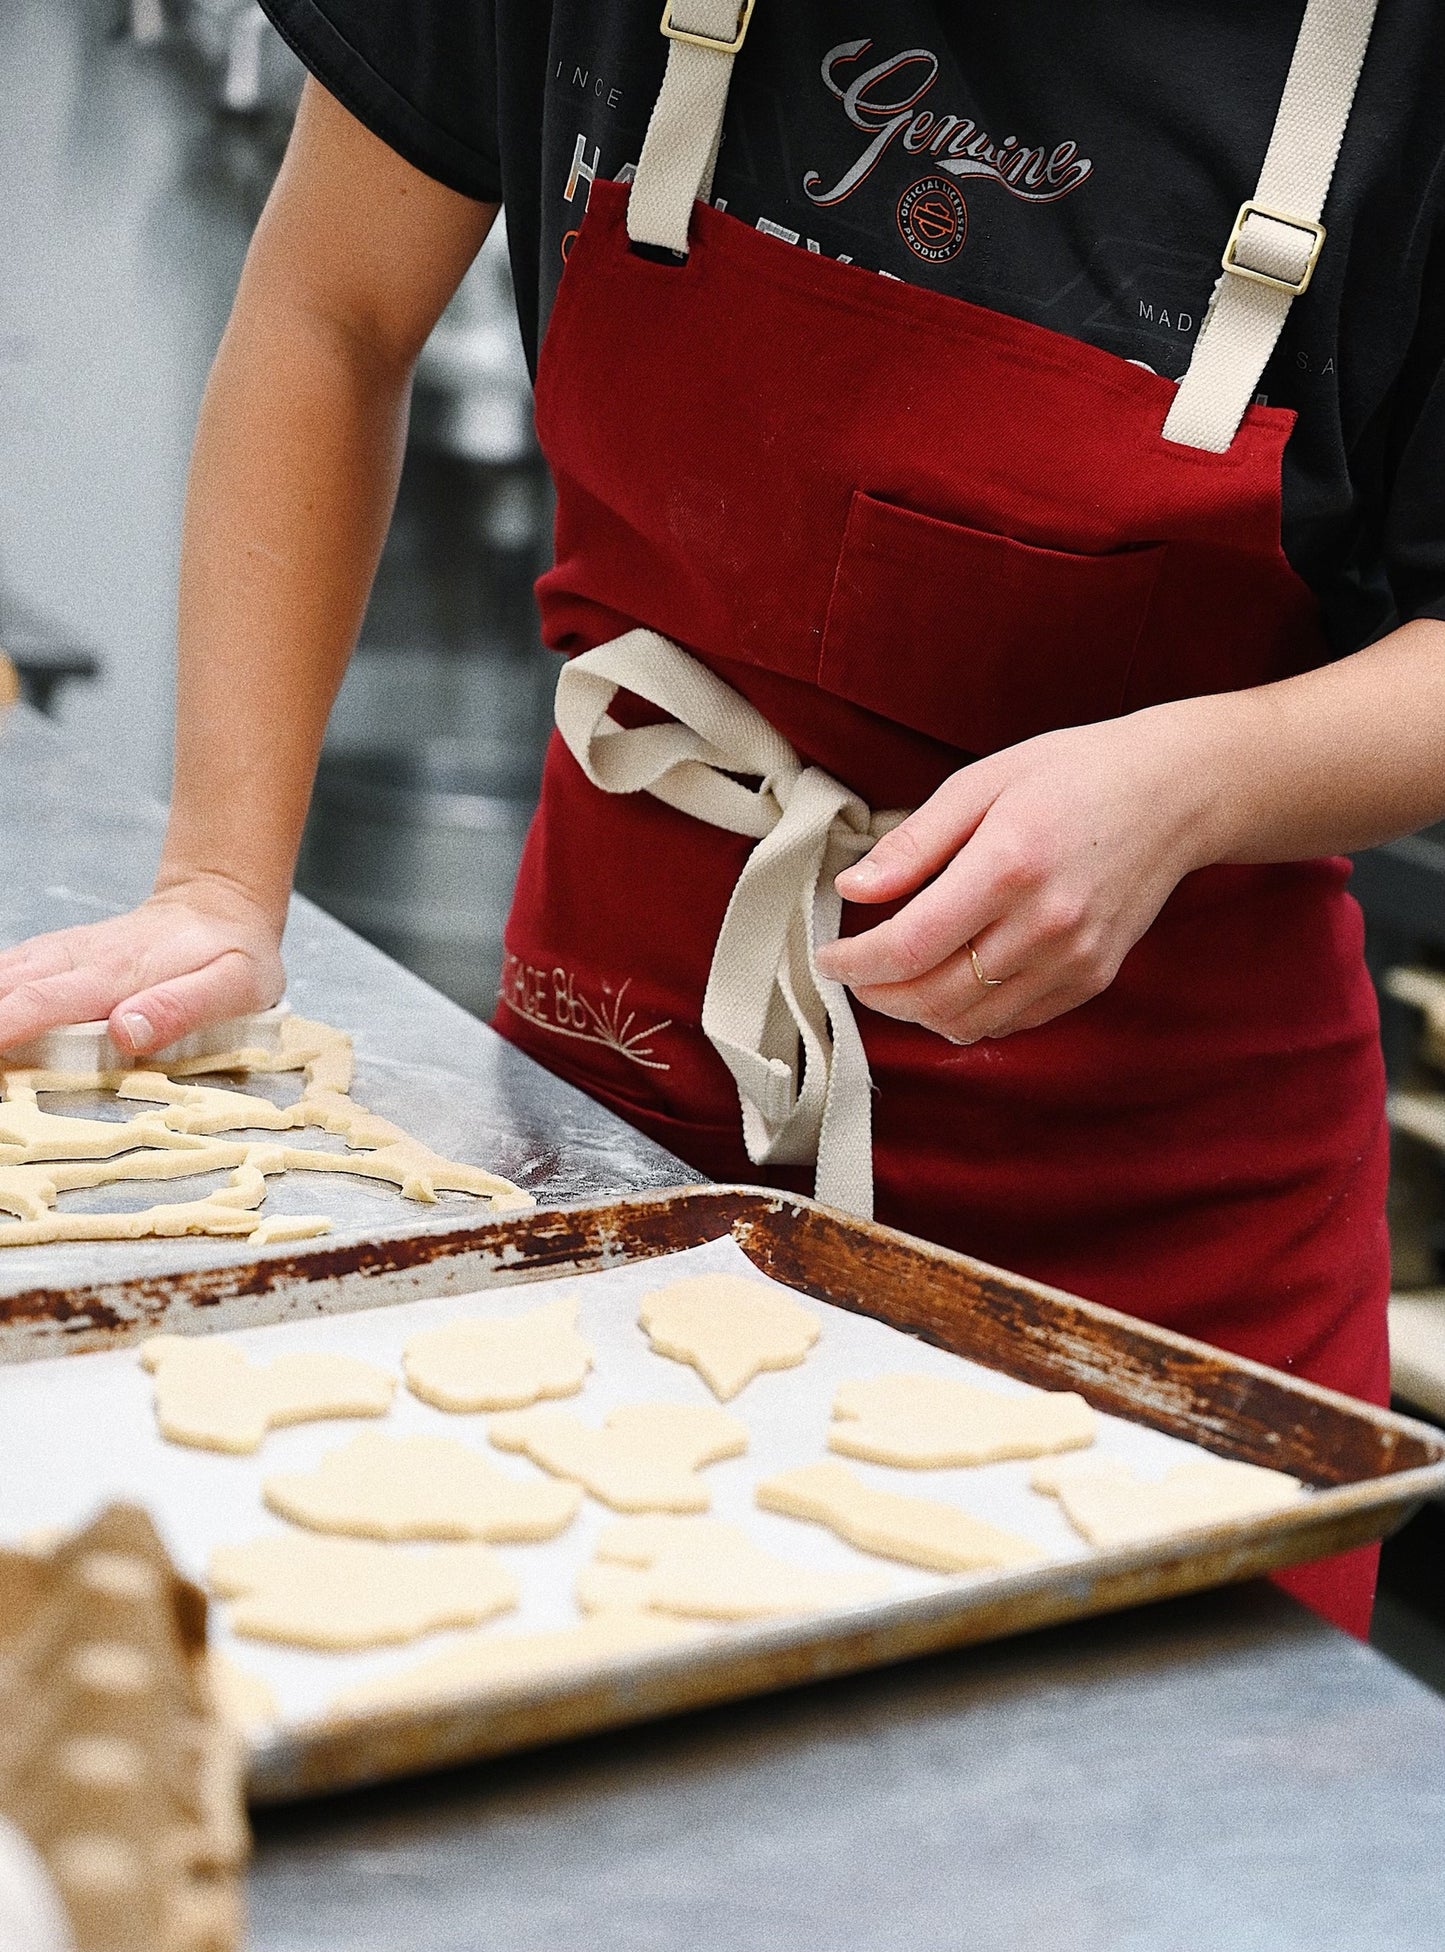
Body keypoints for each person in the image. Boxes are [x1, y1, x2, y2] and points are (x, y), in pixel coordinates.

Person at [2, 3, 1442, 1636]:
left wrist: (1194, 784)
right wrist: (212, 879)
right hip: (605, 1129)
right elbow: (333, 311)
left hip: (1155, 1244)